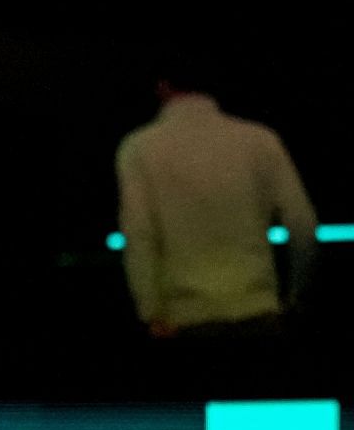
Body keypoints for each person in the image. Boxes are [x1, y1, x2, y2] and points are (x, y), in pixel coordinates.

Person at [116, 52, 316, 392]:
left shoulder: (140, 147)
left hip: (184, 319)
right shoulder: (259, 140)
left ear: (162, 87)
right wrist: (295, 297)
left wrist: (150, 310)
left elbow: (140, 235)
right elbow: (302, 225)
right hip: (258, 311)